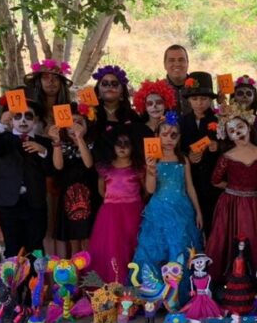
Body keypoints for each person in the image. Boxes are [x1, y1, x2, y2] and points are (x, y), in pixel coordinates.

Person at [133, 113, 203, 307]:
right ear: (157, 135)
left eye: (174, 135)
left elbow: (189, 187)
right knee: (153, 252)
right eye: (165, 134)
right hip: (158, 212)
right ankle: (152, 299)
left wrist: (198, 211)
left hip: (182, 213)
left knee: (179, 251)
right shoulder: (153, 160)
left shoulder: (183, 159)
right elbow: (150, 189)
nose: (169, 139)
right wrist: (151, 170)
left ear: (179, 137)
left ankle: (177, 298)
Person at [205, 105, 257, 283]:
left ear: (249, 127)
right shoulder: (227, 156)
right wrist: (235, 187)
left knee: (254, 238)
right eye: (232, 130)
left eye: (240, 127)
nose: (238, 133)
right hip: (231, 205)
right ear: (227, 135)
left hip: (254, 204)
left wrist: (250, 187)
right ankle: (224, 281)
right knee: (227, 241)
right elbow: (215, 180)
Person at [0, 98, 51, 258]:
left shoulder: (44, 142)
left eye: (28, 116)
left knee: (35, 248)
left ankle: (37, 282)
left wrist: (43, 152)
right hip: (9, 204)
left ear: (35, 119)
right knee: (12, 248)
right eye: (17, 116)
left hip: (35, 203)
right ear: (11, 119)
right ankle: (14, 283)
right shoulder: (3, 139)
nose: (23, 120)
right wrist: (1, 124)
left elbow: (53, 170)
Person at [88, 124, 144, 284]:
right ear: (112, 146)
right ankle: (114, 281)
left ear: (133, 147)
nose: (122, 147)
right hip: (111, 213)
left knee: (132, 244)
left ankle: (133, 282)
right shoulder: (105, 168)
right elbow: (101, 190)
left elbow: (145, 189)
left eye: (127, 144)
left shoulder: (138, 168)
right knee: (113, 247)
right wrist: (112, 201)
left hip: (133, 211)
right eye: (119, 144)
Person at [48, 107, 96, 258]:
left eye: (79, 122)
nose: (74, 126)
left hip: (89, 199)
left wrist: (79, 138)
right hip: (69, 201)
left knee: (88, 240)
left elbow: (88, 163)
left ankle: (90, 277)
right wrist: (56, 141)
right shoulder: (61, 146)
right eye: (70, 123)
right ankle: (75, 277)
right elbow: (58, 166)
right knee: (74, 242)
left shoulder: (91, 144)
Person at [180, 71, 221, 235]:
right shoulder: (182, 121)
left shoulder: (219, 120)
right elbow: (177, 147)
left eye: (204, 99)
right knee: (193, 219)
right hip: (191, 179)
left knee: (213, 219)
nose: (199, 103)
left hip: (214, 179)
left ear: (210, 100)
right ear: (189, 100)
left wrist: (218, 146)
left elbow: (231, 144)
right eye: (195, 99)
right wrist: (187, 156)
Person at [90, 64, 138, 159]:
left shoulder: (132, 116)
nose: (109, 86)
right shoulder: (88, 114)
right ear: (98, 93)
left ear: (122, 93)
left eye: (115, 84)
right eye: (104, 83)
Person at [24, 59, 72, 124]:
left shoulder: (73, 109)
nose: (51, 81)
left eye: (56, 77)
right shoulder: (28, 108)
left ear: (61, 83)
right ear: (39, 82)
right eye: (45, 77)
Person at [230, 75, 257, 147]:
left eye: (249, 93)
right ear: (233, 96)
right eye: (240, 93)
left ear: (254, 97)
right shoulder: (227, 118)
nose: (245, 96)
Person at [163, 44, 191, 116]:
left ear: (187, 63)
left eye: (181, 60)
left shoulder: (199, 86)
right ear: (165, 65)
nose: (177, 64)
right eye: (171, 60)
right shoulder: (157, 90)